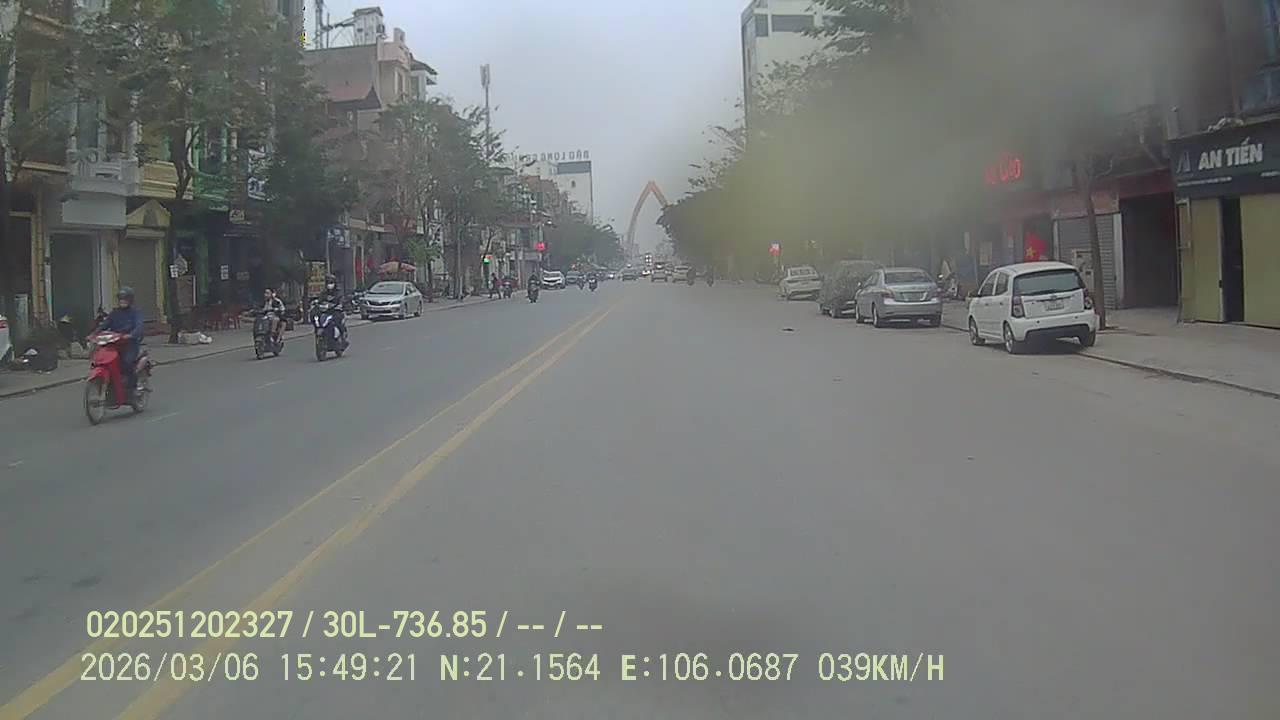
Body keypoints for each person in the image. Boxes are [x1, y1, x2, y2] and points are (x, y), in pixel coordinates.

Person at [96, 287, 145, 392]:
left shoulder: (135, 312)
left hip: (130, 344)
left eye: (125, 299)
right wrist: (94, 333)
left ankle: (133, 386)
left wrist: (131, 335)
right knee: (104, 359)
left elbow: (139, 327)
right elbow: (105, 324)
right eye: (121, 299)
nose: (123, 301)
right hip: (114, 344)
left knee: (127, 362)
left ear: (130, 300)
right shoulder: (115, 313)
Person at [319, 274, 347, 343]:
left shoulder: (338, 292)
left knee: (337, 320)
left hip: (336, 311)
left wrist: (340, 305)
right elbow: (320, 300)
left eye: (331, 282)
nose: (329, 285)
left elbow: (341, 299)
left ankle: (342, 334)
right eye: (328, 283)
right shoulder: (324, 293)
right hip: (326, 311)